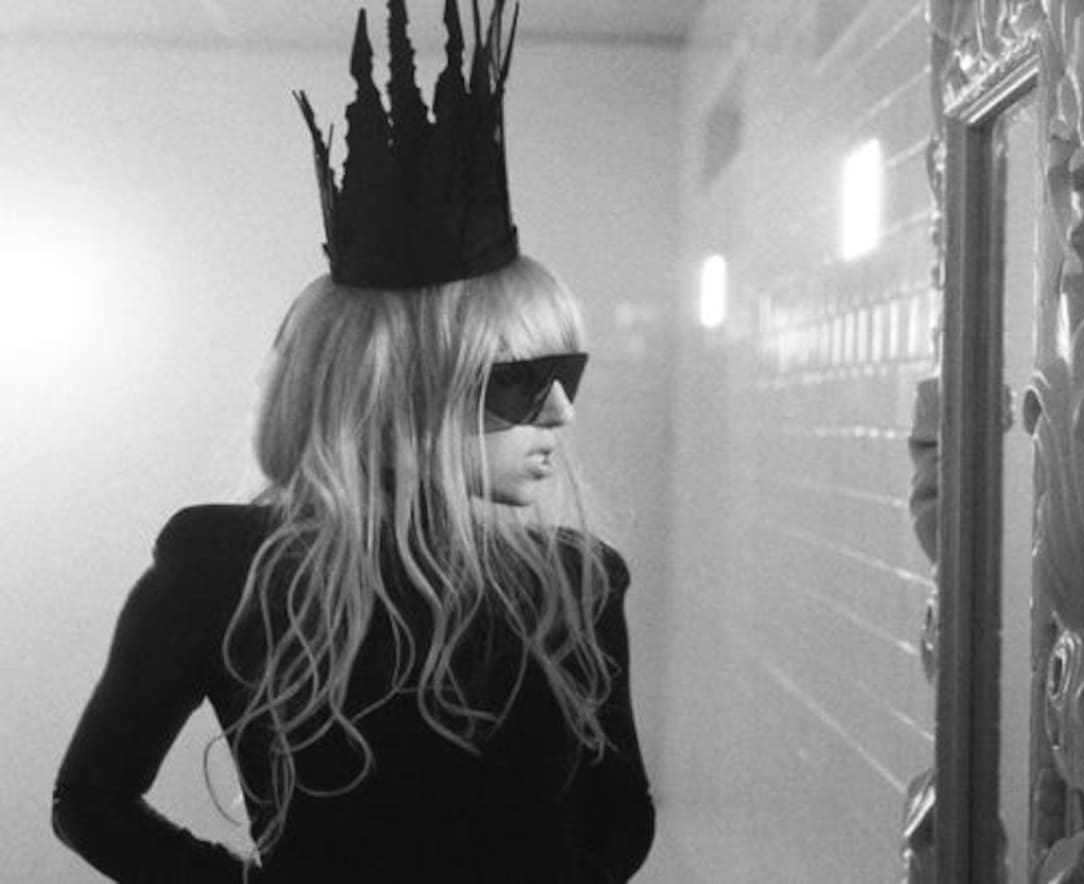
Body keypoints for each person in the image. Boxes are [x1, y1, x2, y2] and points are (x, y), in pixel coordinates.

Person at [51, 2, 655, 881]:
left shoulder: (575, 581)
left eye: (571, 374)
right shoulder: (225, 571)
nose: (561, 412)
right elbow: (92, 803)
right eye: (523, 381)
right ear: (404, 389)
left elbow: (621, 816)